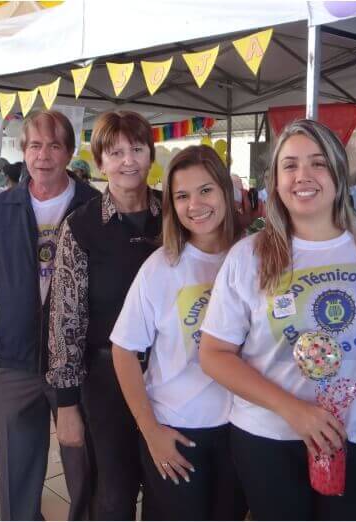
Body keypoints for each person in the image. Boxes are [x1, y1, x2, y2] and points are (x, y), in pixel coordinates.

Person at [199, 119, 356, 520]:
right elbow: (214, 354)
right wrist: (295, 411)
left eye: (317, 163)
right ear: (275, 180)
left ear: (338, 173)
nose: (303, 176)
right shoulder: (250, 255)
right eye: (290, 165)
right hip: (270, 438)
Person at [0, 111, 98, 521]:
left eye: (55, 145)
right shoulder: (3, 207)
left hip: (78, 363)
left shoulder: (92, 205)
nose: (44, 155)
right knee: (17, 465)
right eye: (35, 145)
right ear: (23, 152)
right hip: (15, 357)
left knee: (84, 465)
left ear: (70, 152)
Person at [111, 145, 244, 520]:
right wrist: (150, 430)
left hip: (241, 427)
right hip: (179, 430)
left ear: (224, 190)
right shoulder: (162, 266)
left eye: (205, 190)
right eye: (182, 196)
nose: (195, 205)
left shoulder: (252, 256)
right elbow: (124, 351)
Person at [48, 110, 161, 520]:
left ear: (151, 154)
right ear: (100, 162)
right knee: (114, 490)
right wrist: (66, 403)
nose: (128, 160)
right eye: (115, 152)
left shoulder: (176, 216)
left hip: (172, 374)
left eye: (136, 149)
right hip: (106, 377)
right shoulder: (81, 226)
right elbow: (65, 319)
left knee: (166, 483)